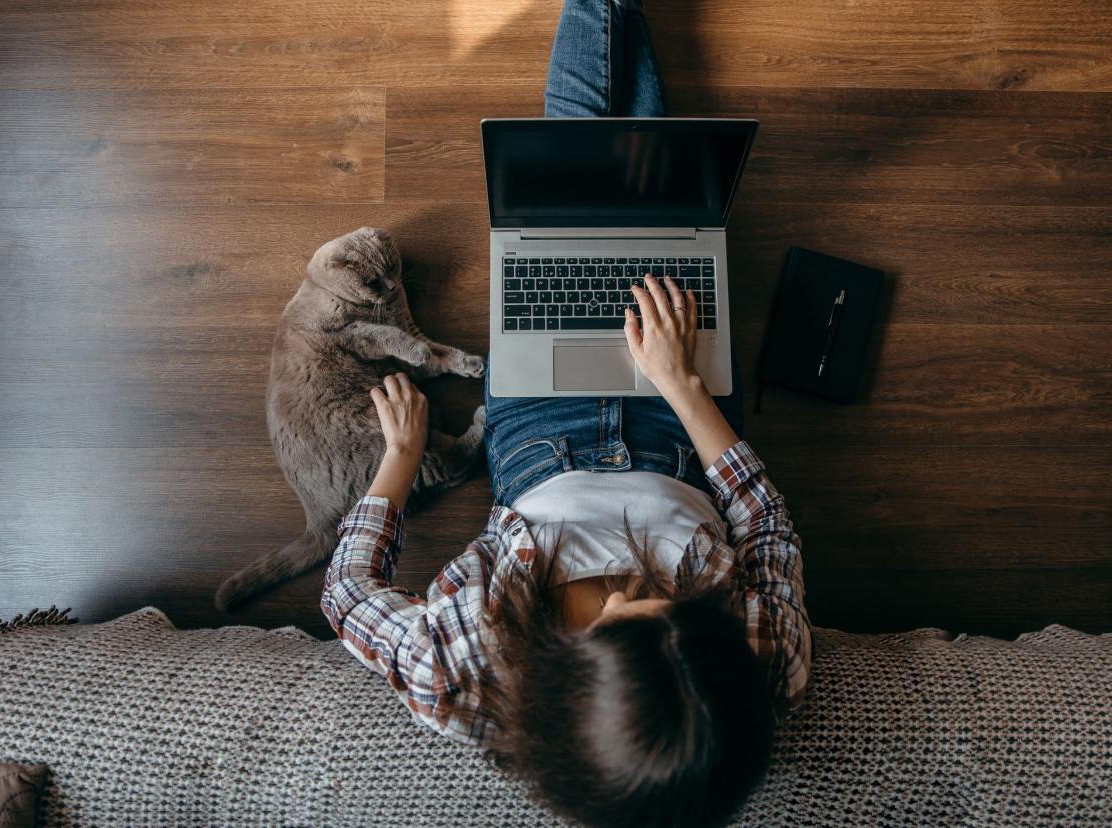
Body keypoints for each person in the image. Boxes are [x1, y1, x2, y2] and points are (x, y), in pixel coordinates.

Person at [320, 1, 811, 825]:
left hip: (537, 437)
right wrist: (682, 387)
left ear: (562, 682)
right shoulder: (761, 667)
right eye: (679, 607)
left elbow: (345, 595)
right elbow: (765, 529)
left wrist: (399, 462)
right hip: (680, 435)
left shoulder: (467, 671)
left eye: (623, 613)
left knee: (569, 197)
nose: (632, 583)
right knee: (659, 206)